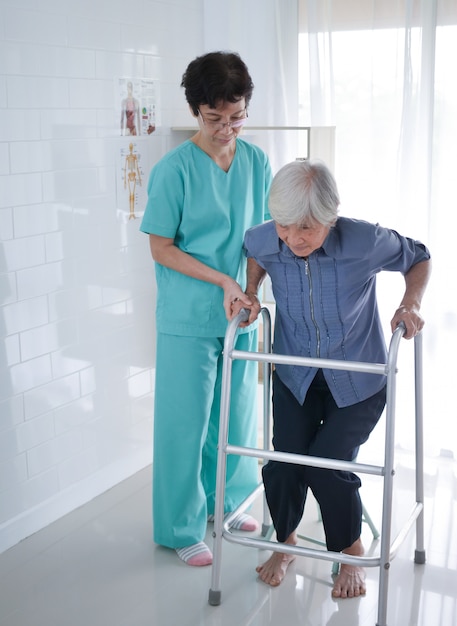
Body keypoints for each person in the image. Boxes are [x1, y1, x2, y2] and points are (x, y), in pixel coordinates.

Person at [232, 160, 431, 597]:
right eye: (285, 226)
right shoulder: (266, 238)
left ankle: (350, 549)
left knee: (327, 466)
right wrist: (250, 293)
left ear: (330, 217)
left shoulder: (364, 240)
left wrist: (410, 303)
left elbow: (418, 256)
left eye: (306, 228)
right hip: (295, 376)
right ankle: (286, 545)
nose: (294, 238)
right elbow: (256, 253)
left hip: (357, 382)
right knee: (284, 462)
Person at [140, 52, 272, 567]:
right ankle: (179, 526)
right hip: (188, 315)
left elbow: (262, 239)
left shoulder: (257, 162)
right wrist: (222, 280)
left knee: (236, 415)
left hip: (239, 311)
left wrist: (251, 289)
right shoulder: (173, 170)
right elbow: (161, 247)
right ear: (197, 111)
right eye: (215, 119)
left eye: (235, 117)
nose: (226, 128)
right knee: (184, 422)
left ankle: (231, 500)